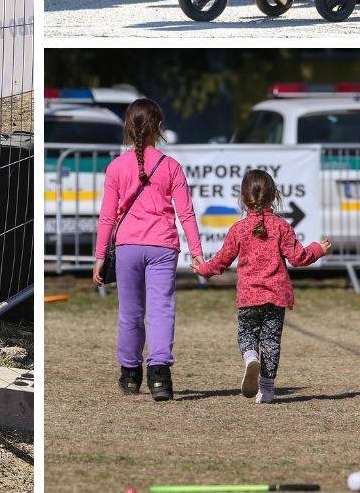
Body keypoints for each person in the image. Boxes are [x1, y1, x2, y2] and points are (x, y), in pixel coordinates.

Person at [92, 98, 203, 402]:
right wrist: (197, 253)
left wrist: (100, 256)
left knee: (130, 312)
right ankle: (159, 376)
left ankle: (130, 374)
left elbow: (107, 216)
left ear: (128, 128)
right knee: (161, 310)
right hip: (163, 246)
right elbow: (187, 214)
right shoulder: (171, 167)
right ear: (159, 128)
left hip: (127, 246)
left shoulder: (116, 167)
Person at [194, 170, 332, 403]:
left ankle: (250, 358)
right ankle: (266, 390)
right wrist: (318, 249)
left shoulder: (238, 229)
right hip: (275, 296)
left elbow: (222, 260)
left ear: (243, 197)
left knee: (246, 334)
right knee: (271, 342)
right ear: (274, 196)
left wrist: (203, 269)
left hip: (249, 297)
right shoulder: (281, 227)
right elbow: (298, 257)